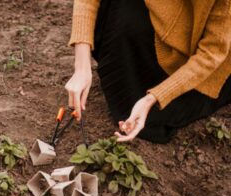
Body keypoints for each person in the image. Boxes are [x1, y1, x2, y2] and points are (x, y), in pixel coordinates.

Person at [65, 0, 231, 143]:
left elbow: (211, 54)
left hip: (206, 61)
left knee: (150, 116)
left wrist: (153, 98)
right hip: (164, 19)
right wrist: (81, 68)